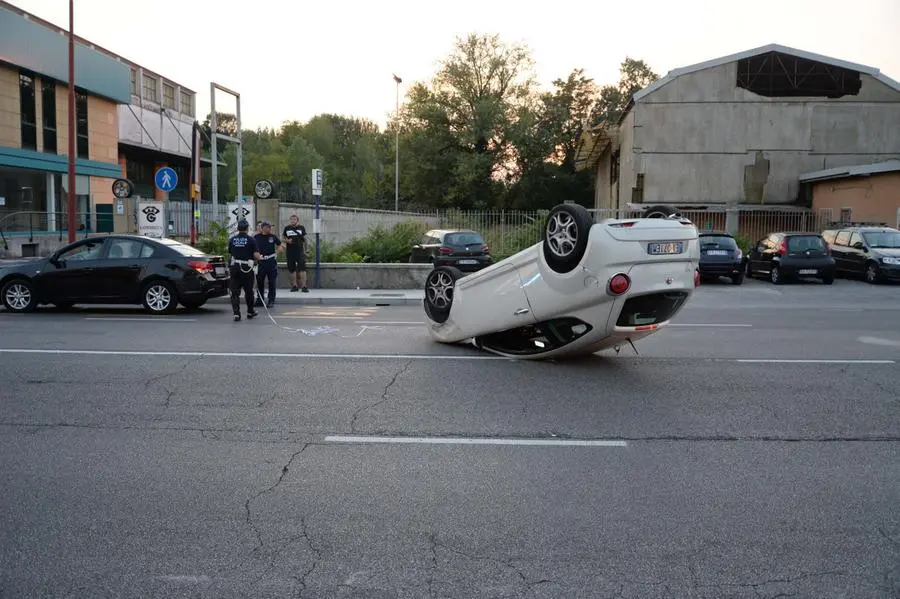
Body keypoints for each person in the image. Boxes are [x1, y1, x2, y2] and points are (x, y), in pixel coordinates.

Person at [227, 219, 261, 321]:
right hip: (246, 269)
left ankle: (236, 314)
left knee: (235, 292)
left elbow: (230, 253)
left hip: (235, 267)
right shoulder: (251, 240)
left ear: (238, 229)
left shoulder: (232, 239)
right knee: (249, 291)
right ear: (247, 228)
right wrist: (258, 257)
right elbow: (256, 255)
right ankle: (250, 311)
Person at [253, 221, 281, 308]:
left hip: (271, 262)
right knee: (260, 282)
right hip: (261, 262)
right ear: (263, 228)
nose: (270, 229)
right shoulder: (256, 237)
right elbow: (253, 248)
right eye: (268, 227)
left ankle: (271, 300)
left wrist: (277, 251)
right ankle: (260, 300)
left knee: (271, 282)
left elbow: (280, 245)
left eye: (270, 227)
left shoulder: (273, 237)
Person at [282, 214, 309, 292]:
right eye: (291, 219)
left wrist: (306, 250)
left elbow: (305, 239)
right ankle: (294, 286)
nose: (293, 221)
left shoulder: (301, 228)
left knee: (302, 268)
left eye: (294, 219)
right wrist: (287, 241)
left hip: (300, 251)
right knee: (291, 269)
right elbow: (283, 238)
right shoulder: (287, 228)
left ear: (297, 220)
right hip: (290, 251)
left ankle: (304, 286)